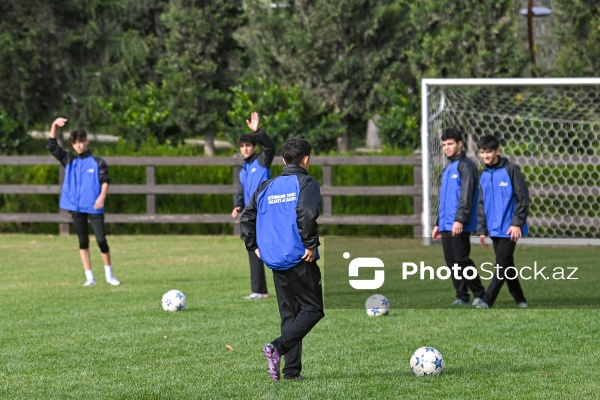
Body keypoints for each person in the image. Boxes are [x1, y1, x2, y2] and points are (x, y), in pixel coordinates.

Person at [240, 138, 324, 381]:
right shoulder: (307, 182)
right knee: (313, 309)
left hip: (275, 260)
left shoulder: (267, 186)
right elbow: (306, 212)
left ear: (284, 160)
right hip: (299, 257)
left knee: (290, 315)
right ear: (306, 160)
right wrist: (310, 244)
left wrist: (253, 245)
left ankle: (291, 372)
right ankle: (276, 347)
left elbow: (246, 217)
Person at [46, 117, 120, 287]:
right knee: (83, 241)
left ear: (87, 142)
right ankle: (90, 278)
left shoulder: (98, 161)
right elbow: (51, 146)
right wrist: (53, 126)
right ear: (72, 145)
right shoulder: (69, 160)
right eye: (75, 143)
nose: (78, 145)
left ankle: (109, 275)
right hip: (76, 207)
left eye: (81, 142)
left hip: (95, 206)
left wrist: (102, 196)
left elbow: (105, 180)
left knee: (101, 240)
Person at [432, 128, 486, 306]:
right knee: (451, 262)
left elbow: (466, 195)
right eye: (444, 145)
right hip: (446, 224)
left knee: (462, 260)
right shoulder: (448, 169)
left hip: (458, 223)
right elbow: (444, 200)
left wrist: (459, 219)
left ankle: (480, 294)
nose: (446, 148)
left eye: (450, 144)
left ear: (460, 144)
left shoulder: (466, 166)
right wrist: (438, 223)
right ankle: (462, 296)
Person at [476, 135, 529, 309]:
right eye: (482, 152)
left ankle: (487, 300)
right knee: (507, 265)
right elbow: (482, 204)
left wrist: (516, 223)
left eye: (489, 152)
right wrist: (482, 229)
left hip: (510, 228)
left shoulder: (511, 169)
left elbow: (523, 198)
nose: (485, 156)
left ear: (498, 151)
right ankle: (520, 299)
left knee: (501, 265)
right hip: (494, 228)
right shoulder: (483, 175)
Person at [231, 112, 276, 300]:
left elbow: (271, 147)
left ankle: (295, 285)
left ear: (255, 146)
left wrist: (258, 131)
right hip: (251, 215)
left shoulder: (262, 161)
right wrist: (238, 205)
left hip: (266, 213)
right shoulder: (244, 169)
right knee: (253, 247)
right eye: (242, 146)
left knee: (275, 248)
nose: (245, 149)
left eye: (248, 145)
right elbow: (241, 192)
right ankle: (259, 290)